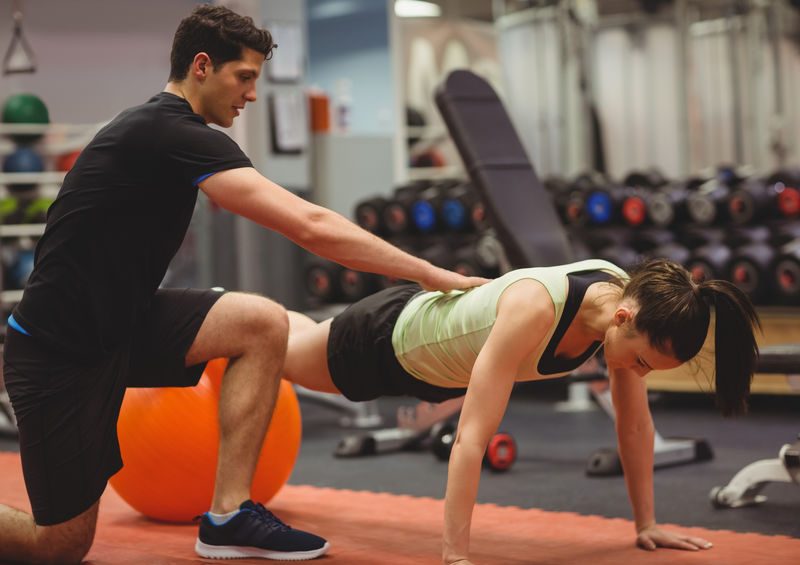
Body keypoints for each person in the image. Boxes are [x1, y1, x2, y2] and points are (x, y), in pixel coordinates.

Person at [0, 6, 486, 565]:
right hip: (57, 355)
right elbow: (310, 225)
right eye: (245, 77)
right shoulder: (168, 131)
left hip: (122, 326)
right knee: (59, 546)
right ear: (202, 66)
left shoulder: (171, 131)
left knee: (259, 323)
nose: (252, 94)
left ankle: (229, 516)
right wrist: (429, 273)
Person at [282, 258, 761, 565]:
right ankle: (218, 315)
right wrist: (456, 559)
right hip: (387, 343)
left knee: (295, 340)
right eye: (640, 362)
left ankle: (239, 318)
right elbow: (472, 436)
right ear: (623, 319)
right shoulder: (534, 310)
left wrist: (646, 525)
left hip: (425, 361)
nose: (638, 374)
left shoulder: (627, 300)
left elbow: (635, 424)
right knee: (280, 359)